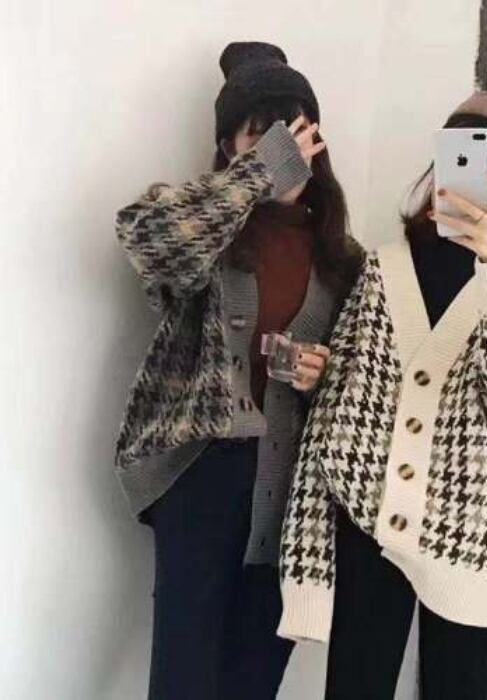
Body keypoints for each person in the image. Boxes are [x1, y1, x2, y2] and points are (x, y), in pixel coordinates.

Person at [277, 65, 487, 699]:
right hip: (367, 527)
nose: (471, 177)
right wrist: (305, 571)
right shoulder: (383, 269)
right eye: (462, 155)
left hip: (471, 543)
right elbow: (336, 415)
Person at [113, 41, 363, 699]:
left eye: (296, 131)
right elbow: (148, 241)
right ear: (231, 148)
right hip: (204, 474)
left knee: (252, 682)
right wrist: (258, 177)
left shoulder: (343, 258)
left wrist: (322, 375)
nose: (288, 150)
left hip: (294, 491)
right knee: (184, 680)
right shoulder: (205, 228)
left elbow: (364, 386)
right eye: (264, 134)